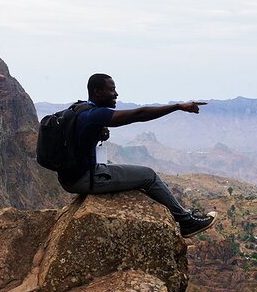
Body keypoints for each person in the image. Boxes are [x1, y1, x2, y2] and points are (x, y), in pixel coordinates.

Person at [59, 73, 217, 238]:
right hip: (84, 179)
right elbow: (139, 114)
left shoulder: (79, 109)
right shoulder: (95, 114)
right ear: (97, 91)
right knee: (148, 176)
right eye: (111, 89)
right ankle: (187, 222)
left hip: (70, 178)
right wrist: (177, 106)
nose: (116, 94)